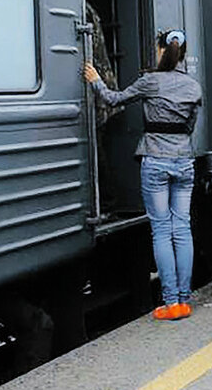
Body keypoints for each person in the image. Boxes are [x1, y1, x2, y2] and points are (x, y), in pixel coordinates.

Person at [84, 30, 202, 321]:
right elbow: (190, 127)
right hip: (184, 161)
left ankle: (171, 302)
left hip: (156, 162)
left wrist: (95, 79)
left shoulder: (150, 81)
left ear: (162, 50)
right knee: (182, 229)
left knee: (161, 230)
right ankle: (185, 300)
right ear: (183, 54)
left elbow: (114, 99)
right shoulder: (192, 86)